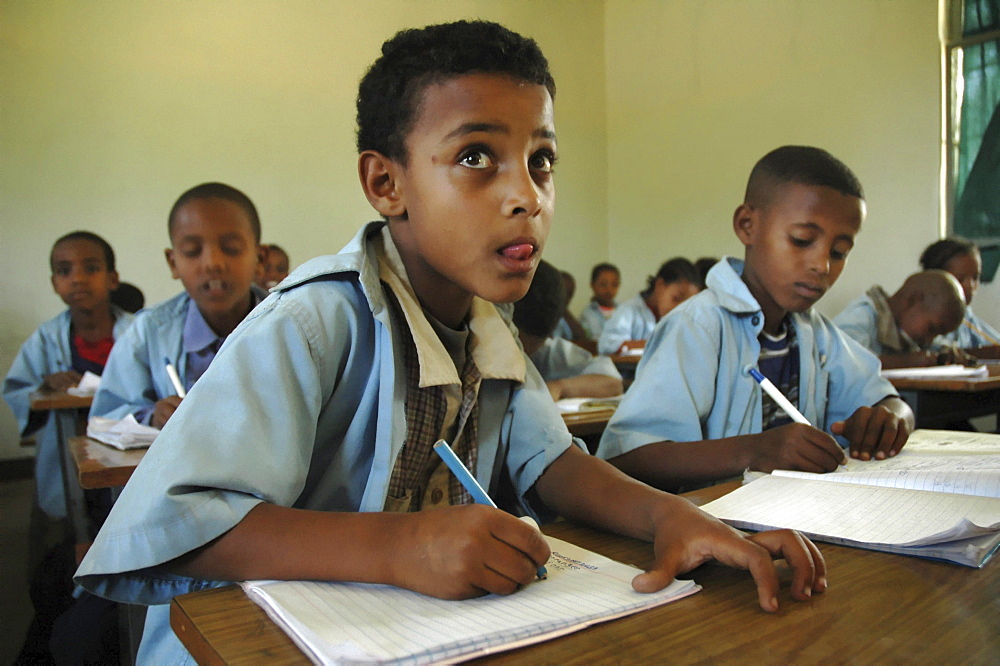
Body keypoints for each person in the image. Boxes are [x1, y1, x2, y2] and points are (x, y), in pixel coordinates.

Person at [76, 22, 825, 664]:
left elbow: (556, 462)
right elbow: (177, 525)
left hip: (401, 635)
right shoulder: (313, 322)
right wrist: (401, 547)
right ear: (385, 183)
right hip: (250, 644)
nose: (526, 195)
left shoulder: (486, 327)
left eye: (542, 161)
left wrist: (675, 518)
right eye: (476, 157)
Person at [599, 146, 915, 492]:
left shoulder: (815, 332)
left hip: (803, 515)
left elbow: (887, 398)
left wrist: (894, 416)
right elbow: (627, 459)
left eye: (839, 252)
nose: (822, 265)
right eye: (802, 240)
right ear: (747, 226)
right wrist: (757, 450)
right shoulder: (699, 326)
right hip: (714, 528)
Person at [2, 231, 134, 663]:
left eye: (91, 268)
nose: (78, 279)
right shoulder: (46, 341)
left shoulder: (138, 332)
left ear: (113, 277)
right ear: (54, 283)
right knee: (58, 554)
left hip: (128, 472)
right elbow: (18, 390)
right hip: (67, 472)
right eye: (65, 271)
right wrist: (45, 385)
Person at [91, 182, 266, 428]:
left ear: (260, 258)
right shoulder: (148, 332)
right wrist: (152, 417)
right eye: (192, 251)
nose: (212, 263)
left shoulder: (292, 326)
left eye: (231, 249)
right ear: (173, 262)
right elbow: (104, 418)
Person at [514, 259, 623, 400]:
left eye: (534, 344)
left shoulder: (545, 351)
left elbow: (613, 382)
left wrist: (558, 387)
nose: (522, 349)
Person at [833, 270, 968, 369]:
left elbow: (937, 346)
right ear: (914, 300)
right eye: (931, 329)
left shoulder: (909, 329)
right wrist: (907, 362)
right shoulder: (860, 318)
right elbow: (847, 363)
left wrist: (945, 354)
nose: (929, 339)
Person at [597, 258, 699, 354]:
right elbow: (606, 345)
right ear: (659, 285)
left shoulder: (680, 318)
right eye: (676, 299)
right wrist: (658, 344)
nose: (680, 308)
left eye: (687, 304)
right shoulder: (629, 310)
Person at [920, 238, 1000, 350]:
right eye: (960, 279)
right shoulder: (919, 321)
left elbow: (995, 346)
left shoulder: (966, 319)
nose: (971, 286)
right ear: (936, 280)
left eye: (975, 278)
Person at [580, 262, 620, 339]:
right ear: (592, 285)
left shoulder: (623, 311)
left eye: (614, 285)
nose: (609, 290)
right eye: (603, 284)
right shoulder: (587, 315)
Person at [550, 269, 590, 344]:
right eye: (562, 293)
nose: (566, 299)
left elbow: (582, 336)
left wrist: (564, 312)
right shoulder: (546, 316)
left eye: (570, 294)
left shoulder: (566, 316)